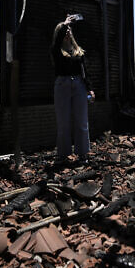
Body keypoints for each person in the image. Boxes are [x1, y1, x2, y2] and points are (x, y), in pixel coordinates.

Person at [50, 15, 95, 165]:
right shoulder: (56, 50)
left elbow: (85, 72)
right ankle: (63, 155)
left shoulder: (78, 52)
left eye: (69, 29)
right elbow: (56, 42)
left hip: (78, 85)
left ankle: (83, 154)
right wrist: (65, 23)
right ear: (60, 32)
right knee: (63, 122)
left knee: (82, 121)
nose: (68, 31)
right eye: (65, 30)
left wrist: (90, 89)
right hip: (62, 85)